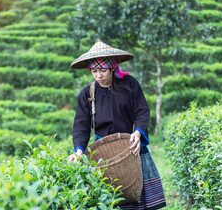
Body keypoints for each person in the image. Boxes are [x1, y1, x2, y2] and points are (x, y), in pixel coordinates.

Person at [68, 39, 166, 210]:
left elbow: (142, 111)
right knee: (110, 198)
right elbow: (81, 126)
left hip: (131, 145)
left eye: (103, 70)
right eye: (94, 71)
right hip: (104, 151)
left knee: (137, 196)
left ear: (112, 68)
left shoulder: (129, 84)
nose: (99, 75)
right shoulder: (88, 94)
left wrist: (137, 133)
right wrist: (78, 151)